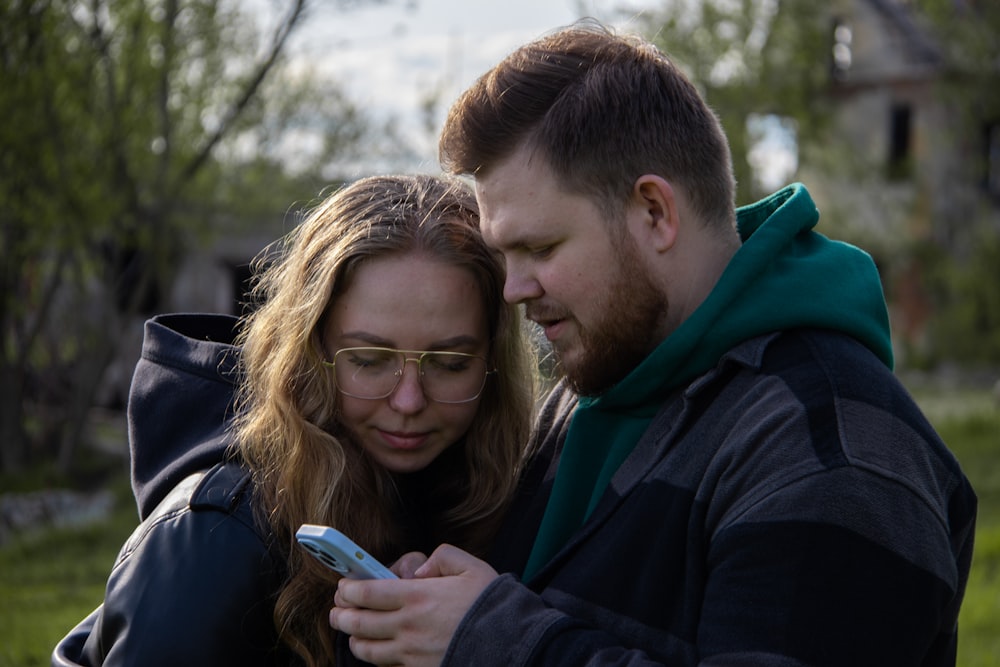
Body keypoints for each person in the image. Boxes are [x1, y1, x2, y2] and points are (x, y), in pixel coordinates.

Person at [329, 22, 978, 667]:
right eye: (505, 254)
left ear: (654, 213)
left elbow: (509, 631)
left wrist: (491, 639)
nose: (513, 290)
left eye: (540, 248)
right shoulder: (600, 381)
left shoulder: (835, 449)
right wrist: (435, 606)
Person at [51, 174, 536, 667]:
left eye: (450, 363)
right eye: (369, 360)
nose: (409, 401)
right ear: (307, 354)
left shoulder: (488, 490)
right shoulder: (217, 535)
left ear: (494, 364)